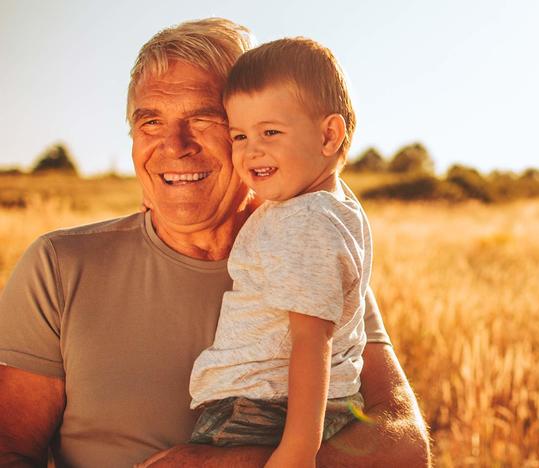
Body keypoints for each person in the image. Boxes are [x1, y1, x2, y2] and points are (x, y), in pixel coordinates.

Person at [0, 17, 430, 468]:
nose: (173, 145)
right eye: (150, 123)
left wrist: (233, 464)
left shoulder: (312, 252)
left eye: (203, 119)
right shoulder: (60, 267)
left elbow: (404, 446)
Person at [188, 37, 370, 468]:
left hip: (263, 408)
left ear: (329, 135)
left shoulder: (302, 222)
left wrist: (297, 451)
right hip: (281, 403)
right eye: (239, 135)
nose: (252, 149)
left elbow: (312, 340)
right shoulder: (329, 205)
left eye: (270, 131)